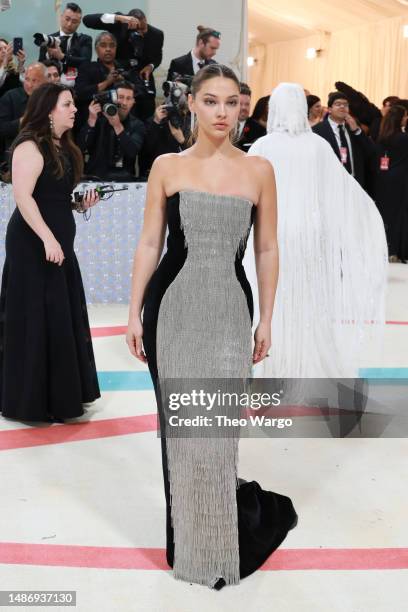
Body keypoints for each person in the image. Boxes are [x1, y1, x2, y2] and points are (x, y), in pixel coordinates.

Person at [126, 64, 297, 589]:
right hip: (171, 312)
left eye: (232, 102)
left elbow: (266, 248)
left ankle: (221, 543)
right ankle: (190, 549)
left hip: (229, 312)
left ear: (242, 107)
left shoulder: (260, 169)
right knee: (181, 435)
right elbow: (151, 243)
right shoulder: (166, 166)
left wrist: (267, 317)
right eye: (212, 101)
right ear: (193, 105)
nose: (223, 112)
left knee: (217, 435)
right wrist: (133, 312)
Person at [242, 83, 388, 378]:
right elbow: (345, 192)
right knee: (310, 301)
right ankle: (309, 366)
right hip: (310, 237)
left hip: (271, 236)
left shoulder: (262, 146)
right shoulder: (319, 146)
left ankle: (273, 362)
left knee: (271, 300)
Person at [0, 82, 100, 422]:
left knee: (58, 315)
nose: (75, 109)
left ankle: (59, 396)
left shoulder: (64, 146)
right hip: (33, 245)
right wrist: (47, 238)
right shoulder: (29, 145)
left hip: (56, 243)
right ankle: (31, 400)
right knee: (36, 316)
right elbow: (23, 197)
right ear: (49, 109)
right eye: (68, 104)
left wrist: (78, 203)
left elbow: (52, 197)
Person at [83, 8, 164, 120]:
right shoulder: (120, 24)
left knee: (147, 113)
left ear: (146, 20)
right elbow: (87, 20)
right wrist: (119, 18)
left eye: (143, 29)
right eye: (137, 29)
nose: (140, 33)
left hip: (141, 76)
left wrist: (151, 66)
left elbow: (157, 57)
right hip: (117, 74)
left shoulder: (156, 34)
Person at [77, 81, 145, 180]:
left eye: (128, 98)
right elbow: (80, 147)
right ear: (113, 98)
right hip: (96, 176)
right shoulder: (98, 119)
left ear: (133, 102)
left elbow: (132, 151)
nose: (124, 103)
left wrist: (117, 126)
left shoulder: (137, 125)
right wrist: (91, 121)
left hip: (124, 178)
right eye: (121, 97)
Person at [312, 91, 376, 193]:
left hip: (355, 183)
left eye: (345, 105)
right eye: (338, 104)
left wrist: (357, 131)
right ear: (329, 109)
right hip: (330, 184)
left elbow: (370, 151)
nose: (342, 107)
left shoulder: (353, 127)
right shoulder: (318, 130)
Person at [373, 104, 408, 263]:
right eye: (405, 115)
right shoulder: (403, 138)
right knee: (400, 216)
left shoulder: (383, 136)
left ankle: (388, 248)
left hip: (385, 179)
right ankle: (397, 249)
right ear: (400, 118)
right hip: (401, 179)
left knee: (387, 215)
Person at [74, 32, 125, 130]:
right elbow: (80, 93)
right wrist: (107, 82)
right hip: (95, 122)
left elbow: (139, 90)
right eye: (103, 45)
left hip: (122, 121)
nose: (108, 49)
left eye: (112, 45)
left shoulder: (124, 68)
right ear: (96, 49)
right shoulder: (87, 67)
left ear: (116, 48)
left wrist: (124, 83)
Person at [0, 62, 47, 164]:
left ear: (45, 82)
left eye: (34, 81)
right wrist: (22, 121)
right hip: (15, 155)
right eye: (27, 79)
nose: (29, 85)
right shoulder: (10, 97)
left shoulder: (51, 99)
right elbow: (2, 128)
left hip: (46, 154)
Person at [37, 2, 92, 88]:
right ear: (61, 17)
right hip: (50, 88)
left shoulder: (84, 39)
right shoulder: (48, 39)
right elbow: (40, 66)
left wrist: (62, 57)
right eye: (67, 19)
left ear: (79, 23)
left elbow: (85, 62)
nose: (69, 24)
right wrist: (48, 55)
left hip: (76, 89)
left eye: (74, 21)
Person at [139, 102, 189, 179]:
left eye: (173, 113)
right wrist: (156, 123)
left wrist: (182, 141)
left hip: (176, 174)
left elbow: (192, 158)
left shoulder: (183, 124)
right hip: (154, 172)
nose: (169, 116)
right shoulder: (150, 123)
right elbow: (144, 151)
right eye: (165, 111)